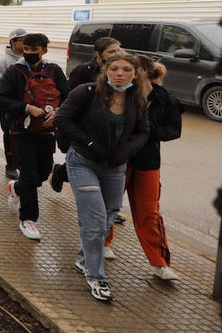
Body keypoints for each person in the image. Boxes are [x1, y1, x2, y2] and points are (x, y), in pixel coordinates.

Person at [55, 51, 149, 303]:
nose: (120, 74)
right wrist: (89, 143)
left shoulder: (136, 98)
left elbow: (143, 131)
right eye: (115, 68)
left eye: (126, 70)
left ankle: (83, 258)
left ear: (135, 74)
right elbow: (62, 118)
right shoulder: (86, 92)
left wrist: (127, 150)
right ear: (106, 70)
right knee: (95, 221)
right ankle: (96, 277)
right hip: (83, 162)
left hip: (115, 167)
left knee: (108, 215)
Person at [106, 54, 183, 281]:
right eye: (121, 70)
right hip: (118, 159)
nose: (124, 74)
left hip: (148, 161)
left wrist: (146, 130)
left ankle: (160, 263)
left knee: (149, 212)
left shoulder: (165, 98)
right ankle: (100, 243)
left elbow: (173, 130)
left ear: (145, 72)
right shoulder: (120, 94)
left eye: (130, 69)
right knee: (108, 206)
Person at [0, 33, 69, 240]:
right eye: (26, 50)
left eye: (34, 50)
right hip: (21, 131)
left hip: (46, 131)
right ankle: (28, 219)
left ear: (44, 50)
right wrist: (26, 108)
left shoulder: (54, 70)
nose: (29, 54)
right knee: (29, 175)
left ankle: (16, 188)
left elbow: (68, 96)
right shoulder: (14, 71)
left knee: (43, 173)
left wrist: (57, 112)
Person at [52, 36, 124, 193]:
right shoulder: (83, 71)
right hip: (83, 128)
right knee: (83, 161)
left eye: (119, 50)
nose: (117, 54)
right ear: (98, 54)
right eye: (112, 51)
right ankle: (62, 173)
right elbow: (67, 99)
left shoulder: (122, 71)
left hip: (108, 128)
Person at [0, 27, 28, 180]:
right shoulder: (4, 62)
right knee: (10, 135)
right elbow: (0, 87)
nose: (25, 43)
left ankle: (23, 164)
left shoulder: (29, 58)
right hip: (9, 105)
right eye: (22, 40)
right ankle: (11, 165)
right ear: (13, 42)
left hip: (27, 105)